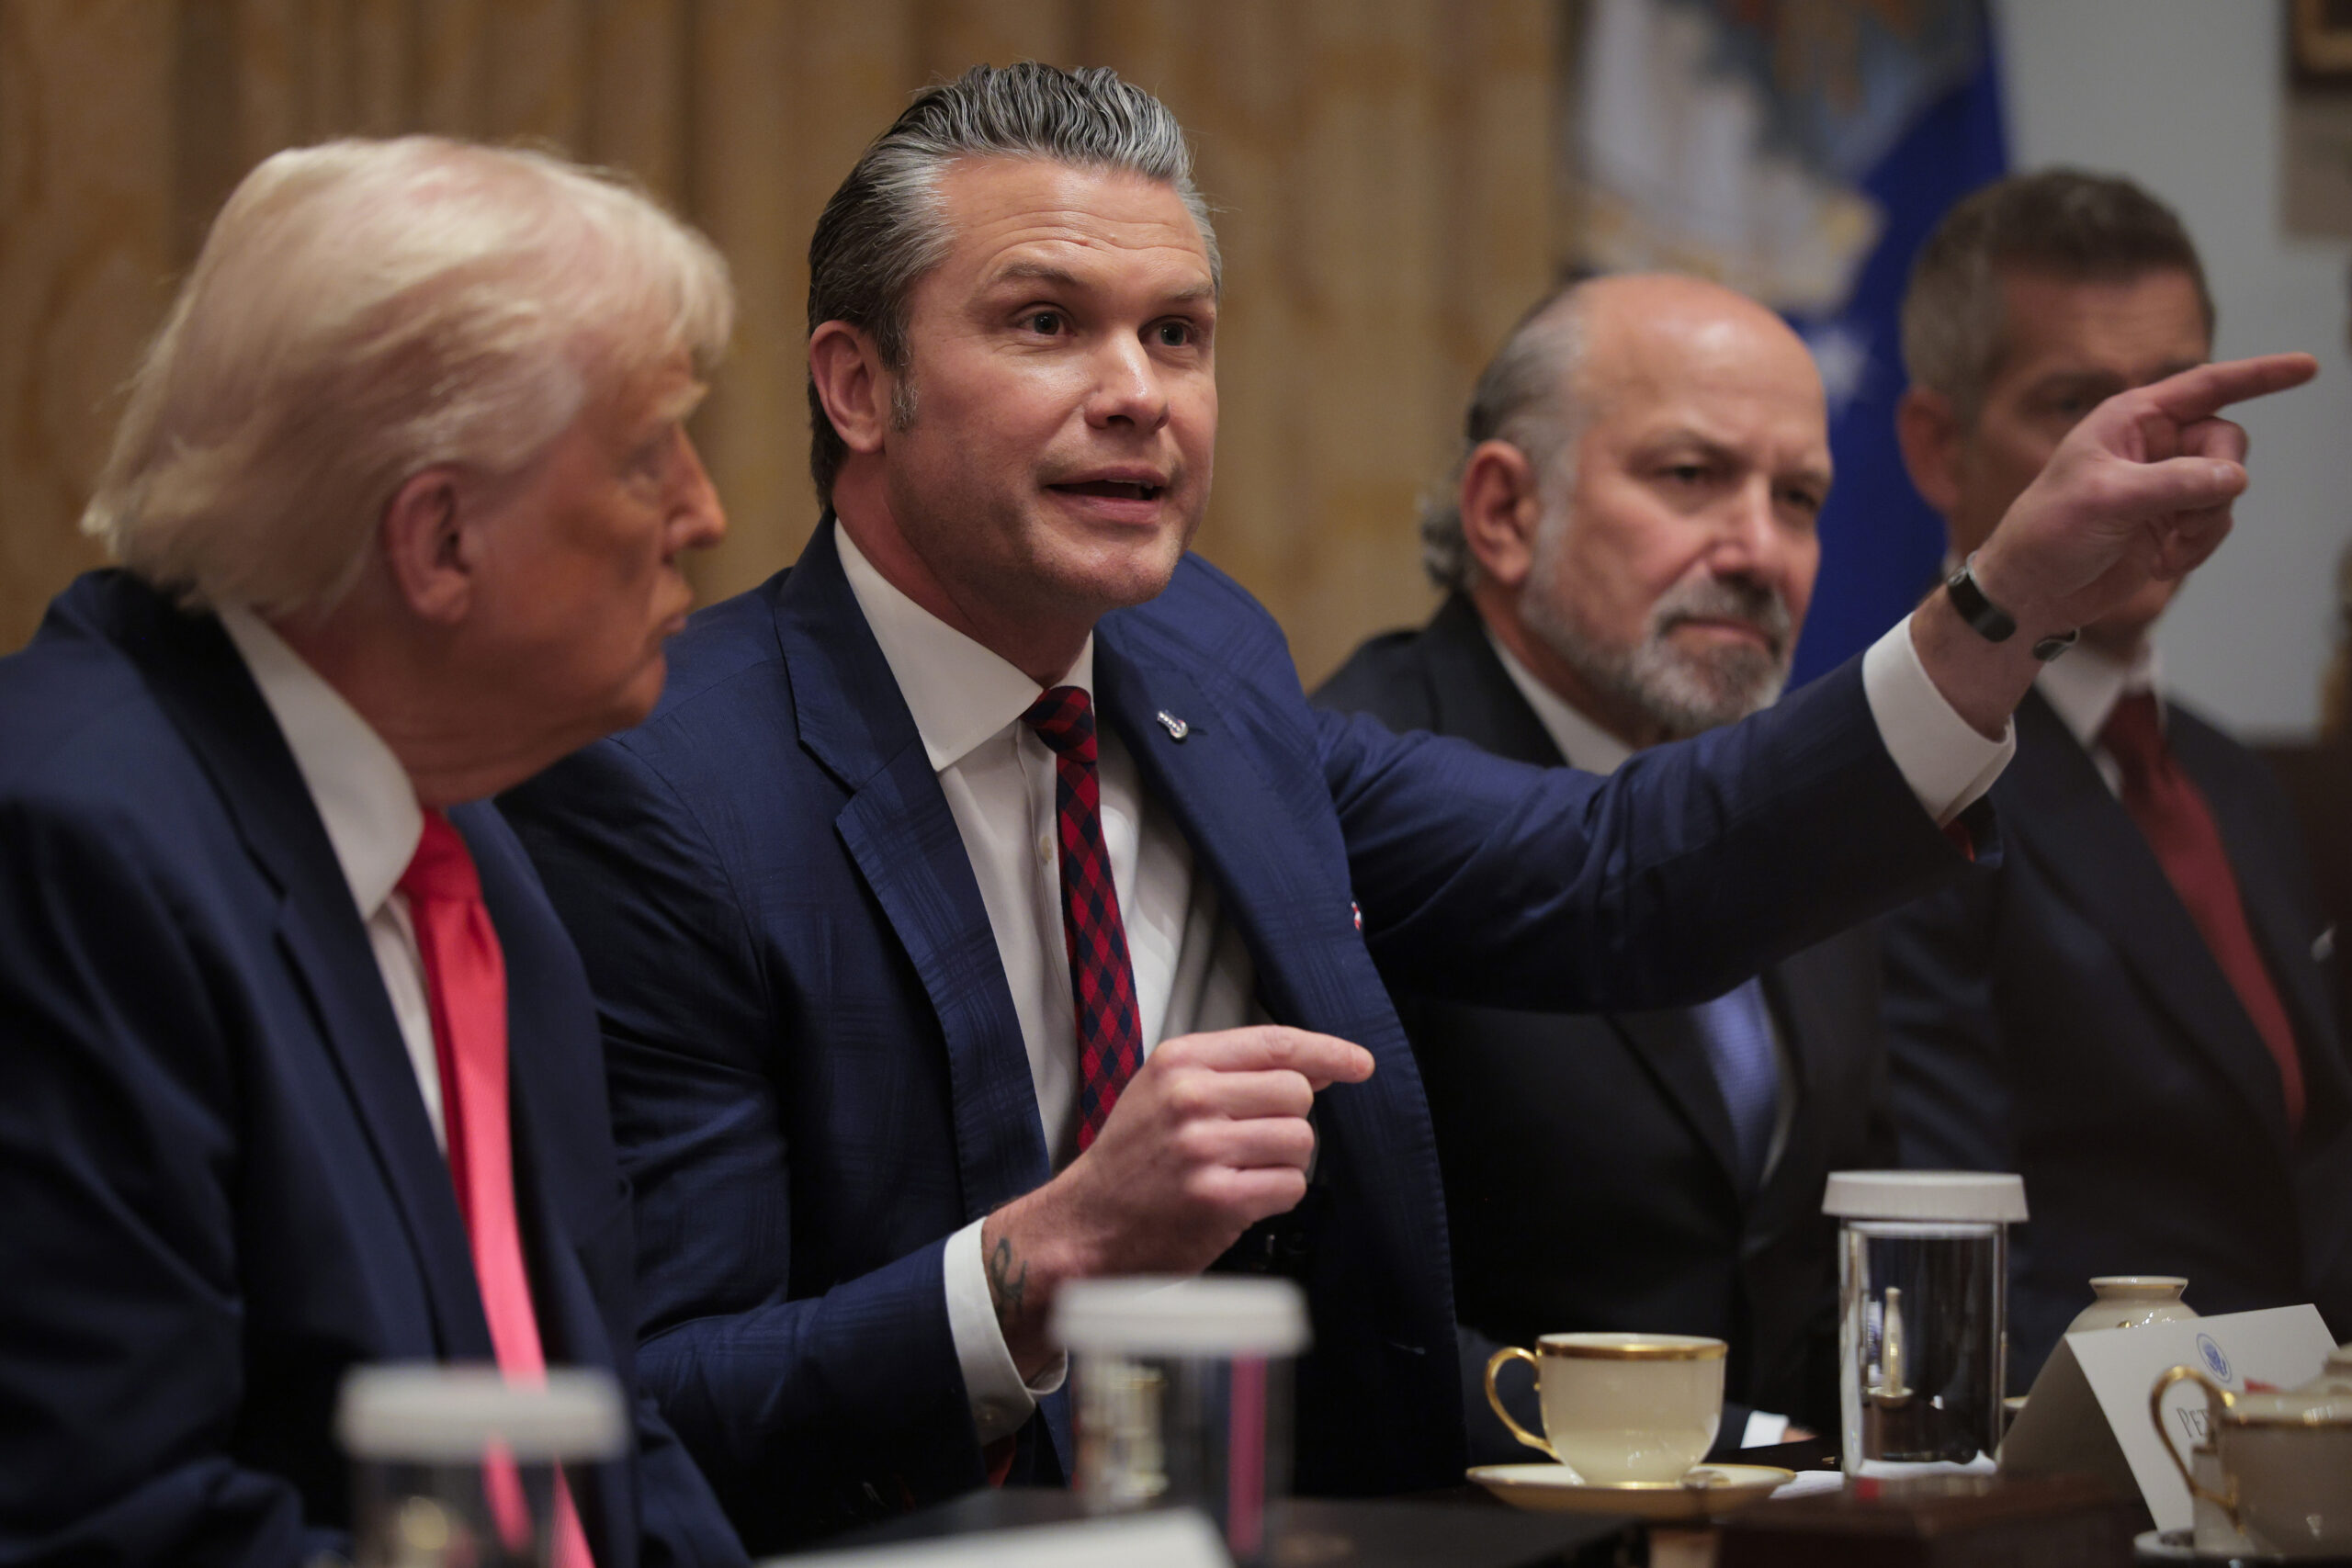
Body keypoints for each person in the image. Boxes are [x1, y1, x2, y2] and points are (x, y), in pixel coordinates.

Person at [498, 64, 2309, 1551]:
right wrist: (1047, 1256)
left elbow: (1614, 872)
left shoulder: (1203, 663)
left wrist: (2002, 605)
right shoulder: (664, 783)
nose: (1136, 395)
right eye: (1046, 323)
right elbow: (660, 1400)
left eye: (1178, 334)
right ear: (857, 385)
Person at [0, 138, 748, 1566]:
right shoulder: (69, 849)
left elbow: (583, 1433)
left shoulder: (469, 849)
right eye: (648, 455)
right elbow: (106, 1526)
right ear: (440, 539)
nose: (704, 512)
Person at [1315, 273, 1887, 1450]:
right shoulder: (1353, 806)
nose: (1759, 551)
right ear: (1505, 511)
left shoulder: (1788, 800)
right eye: (1690, 476)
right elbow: (1345, 1322)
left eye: (1797, 499)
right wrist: (1730, 1454)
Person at [1879, 168, 2352, 1383]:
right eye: (2074, 405)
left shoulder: (2233, 783)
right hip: (2082, 1456)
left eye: (2175, 403)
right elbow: (1950, 1274)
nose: (2140, 464)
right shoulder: (1895, 786)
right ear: (1937, 445)